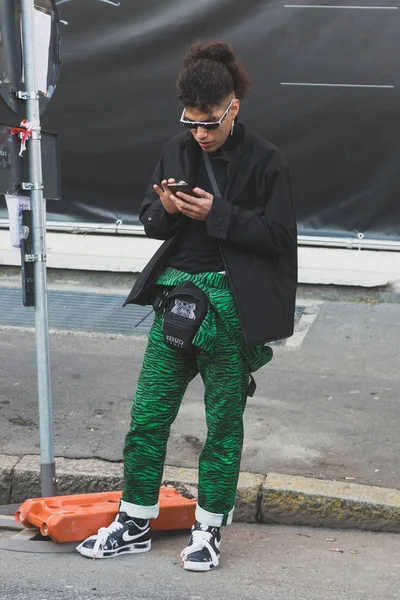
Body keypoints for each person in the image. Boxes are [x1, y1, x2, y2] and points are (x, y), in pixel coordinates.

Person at [76, 41, 297, 571]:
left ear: (233, 107)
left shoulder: (268, 160)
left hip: (232, 305)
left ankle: (209, 527)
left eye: (210, 123)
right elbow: (150, 219)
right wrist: (170, 211)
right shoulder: (177, 148)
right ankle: (133, 520)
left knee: (224, 424)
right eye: (192, 123)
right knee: (148, 416)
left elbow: (279, 239)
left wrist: (219, 213)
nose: (200, 133)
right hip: (177, 298)